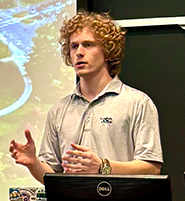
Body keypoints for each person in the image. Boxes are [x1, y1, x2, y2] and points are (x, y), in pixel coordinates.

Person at [9, 11, 163, 184]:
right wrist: (34, 164)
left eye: (88, 45)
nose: (79, 52)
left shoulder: (137, 103)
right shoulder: (58, 111)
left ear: (107, 51)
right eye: (74, 46)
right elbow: (52, 177)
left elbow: (151, 167)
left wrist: (103, 166)